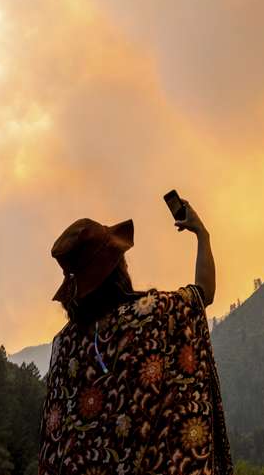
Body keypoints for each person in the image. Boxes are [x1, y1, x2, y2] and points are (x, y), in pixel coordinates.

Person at [38, 201, 232, 474]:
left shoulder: (63, 345)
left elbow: (56, 439)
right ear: (118, 267)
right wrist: (202, 234)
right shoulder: (152, 315)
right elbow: (203, 293)